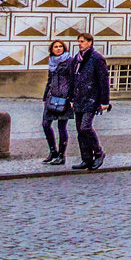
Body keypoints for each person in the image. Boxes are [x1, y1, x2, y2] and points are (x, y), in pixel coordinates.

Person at [69, 32, 111, 170]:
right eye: (79, 41)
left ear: (89, 42)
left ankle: (99, 153)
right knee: (80, 130)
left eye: (82, 41)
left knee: (85, 127)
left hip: (91, 99)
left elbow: (103, 80)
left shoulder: (96, 58)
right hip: (79, 98)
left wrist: (104, 102)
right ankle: (86, 158)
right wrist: (71, 98)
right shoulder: (77, 58)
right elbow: (73, 79)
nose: (79, 44)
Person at [42, 40, 75, 165]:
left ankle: (62, 156)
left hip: (64, 97)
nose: (58, 48)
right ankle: (53, 151)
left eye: (60, 46)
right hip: (52, 96)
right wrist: (45, 97)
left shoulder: (69, 61)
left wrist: (71, 98)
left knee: (62, 127)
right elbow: (49, 80)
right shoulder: (52, 61)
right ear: (52, 49)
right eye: (55, 47)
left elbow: (73, 80)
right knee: (45, 124)